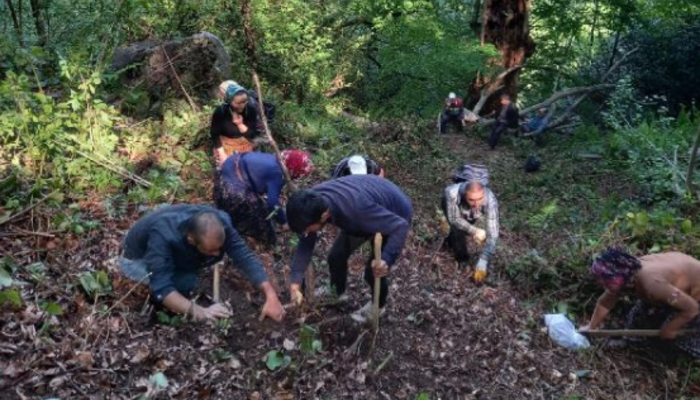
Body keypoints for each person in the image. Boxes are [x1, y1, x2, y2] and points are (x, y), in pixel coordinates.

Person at [118, 204, 285, 322]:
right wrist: (202, 312)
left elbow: (243, 255)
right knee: (186, 282)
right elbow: (162, 288)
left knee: (190, 274)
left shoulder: (219, 222)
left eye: (219, 248)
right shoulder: (163, 237)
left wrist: (270, 295)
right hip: (134, 259)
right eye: (211, 250)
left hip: (172, 235)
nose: (218, 254)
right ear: (191, 240)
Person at [285, 175, 413, 323]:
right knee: (336, 256)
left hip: (394, 216)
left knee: (373, 272)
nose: (306, 232)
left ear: (324, 215)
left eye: (307, 229)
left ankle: (378, 307)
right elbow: (306, 243)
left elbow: (400, 225)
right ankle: (337, 293)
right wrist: (295, 283)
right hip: (366, 208)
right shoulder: (311, 202)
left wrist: (386, 258)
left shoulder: (356, 211)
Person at [581, 248, 700, 357]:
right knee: (639, 315)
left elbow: (692, 308)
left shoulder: (651, 284)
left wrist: (671, 328)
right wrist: (591, 326)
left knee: (686, 340)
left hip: (693, 296)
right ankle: (636, 342)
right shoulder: (629, 271)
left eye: (605, 280)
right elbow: (605, 302)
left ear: (617, 277)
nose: (601, 284)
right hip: (673, 289)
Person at [215, 150, 314, 245]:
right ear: (294, 169)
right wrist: (284, 221)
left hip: (230, 164)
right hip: (231, 182)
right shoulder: (278, 172)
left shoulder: (276, 159)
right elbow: (272, 202)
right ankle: (261, 239)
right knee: (259, 215)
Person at [442, 165, 499, 283]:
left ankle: (450, 240)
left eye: (480, 199)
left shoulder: (490, 200)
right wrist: (475, 231)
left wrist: (484, 259)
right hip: (452, 206)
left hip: (469, 212)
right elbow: (454, 219)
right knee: (457, 229)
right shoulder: (451, 193)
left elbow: (493, 233)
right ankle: (462, 258)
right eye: (471, 200)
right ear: (464, 194)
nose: (477, 204)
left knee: (465, 227)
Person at [210, 83, 260, 167]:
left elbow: (252, 135)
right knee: (225, 172)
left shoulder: (250, 110)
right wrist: (222, 155)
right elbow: (214, 134)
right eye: (238, 103)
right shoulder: (221, 112)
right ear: (229, 101)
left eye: (245, 101)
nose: (242, 105)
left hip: (244, 146)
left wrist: (240, 124)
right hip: (224, 146)